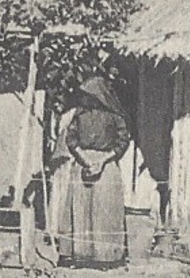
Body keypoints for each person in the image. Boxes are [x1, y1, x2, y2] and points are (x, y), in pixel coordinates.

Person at [49, 76, 131, 266]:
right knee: (80, 208)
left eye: (88, 95)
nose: (84, 99)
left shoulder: (115, 116)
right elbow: (71, 138)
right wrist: (84, 159)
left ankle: (105, 257)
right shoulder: (80, 115)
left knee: (103, 210)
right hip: (82, 163)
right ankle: (79, 254)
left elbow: (122, 141)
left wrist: (102, 161)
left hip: (106, 164)